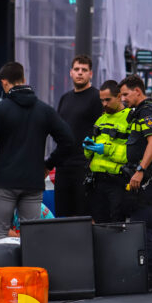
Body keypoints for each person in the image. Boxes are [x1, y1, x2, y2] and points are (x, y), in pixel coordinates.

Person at [0, 61, 74, 240]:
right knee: (31, 237)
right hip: (33, 183)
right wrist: (48, 164)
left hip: (2, 182)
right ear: (24, 79)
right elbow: (68, 141)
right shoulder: (44, 110)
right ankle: (29, 268)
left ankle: (3, 268)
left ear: (4, 83)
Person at [118, 75, 152, 292]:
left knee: (143, 229)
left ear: (138, 91)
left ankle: (149, 278)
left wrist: (139, 171)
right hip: (149, 177)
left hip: (147, 178)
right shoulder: (140, 113)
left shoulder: (147, 112)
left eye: (126, 94)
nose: (123, 98)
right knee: (149, 228)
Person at [55, 55, 103, 217]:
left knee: (83, 217)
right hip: (63, 168)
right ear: (70, 72)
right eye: (76, 69)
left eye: (84, 70)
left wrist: (92, 162)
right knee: (63, 217)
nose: (80, 73)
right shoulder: (65, 98)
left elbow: (102, 132)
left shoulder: (97, 98)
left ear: (91, 74)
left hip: (84, 167)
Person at [83, 80, 131, 223]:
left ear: (119, 96)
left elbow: (132, 153)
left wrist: (107, 149)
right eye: (102, 100)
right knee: (99, 225)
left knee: (116, 226)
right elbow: (90, 155)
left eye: (107, 100)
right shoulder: (101, 119)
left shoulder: (129, 118)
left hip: (117, 182)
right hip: (97, 182)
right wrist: (88, 147)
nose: (104, 104)